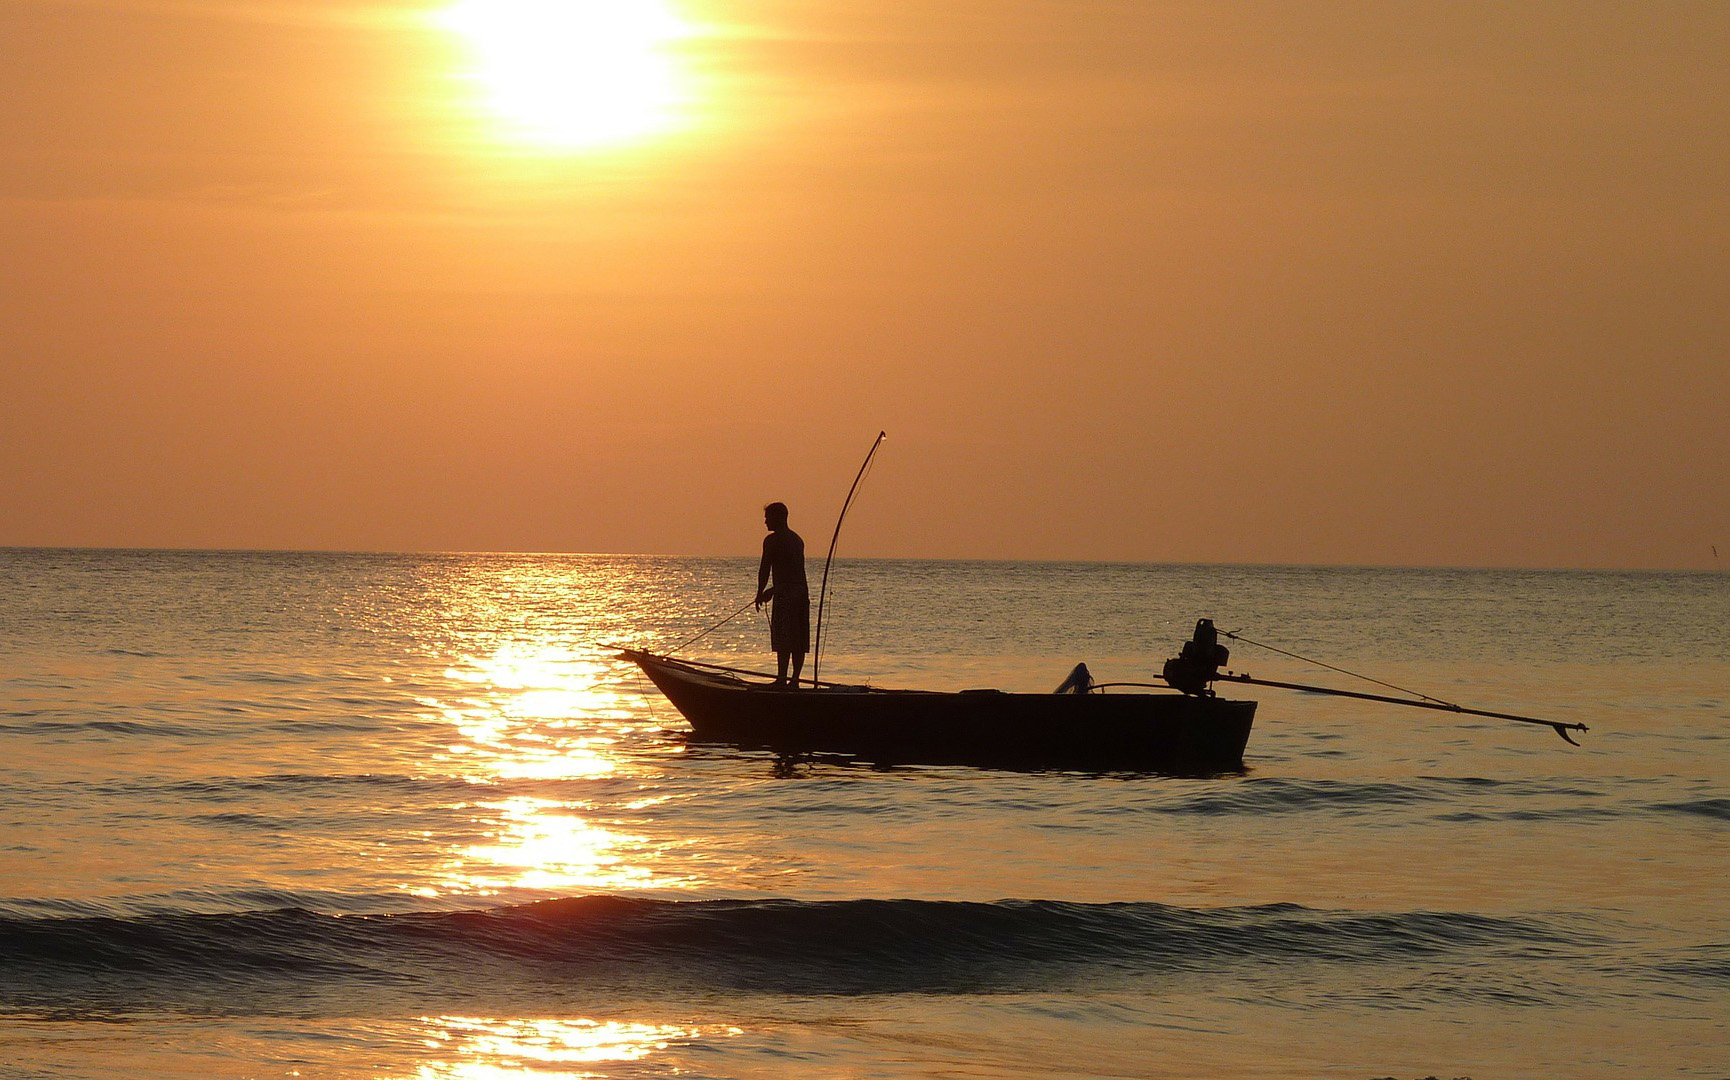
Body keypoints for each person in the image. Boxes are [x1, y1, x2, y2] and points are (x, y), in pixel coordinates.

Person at [755, 501, 809, 687]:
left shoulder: (772, 541)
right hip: (801, 593)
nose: (765, 522)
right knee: (798, 638)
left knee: (785, 637)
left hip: (787, 594)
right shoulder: (797, 540)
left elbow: (765, 569)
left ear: (779, 517)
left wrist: (761, 592)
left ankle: (782, 679)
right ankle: (793, 680)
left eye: (768, 517)